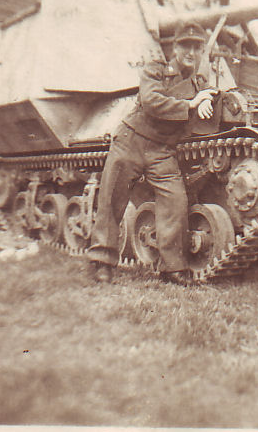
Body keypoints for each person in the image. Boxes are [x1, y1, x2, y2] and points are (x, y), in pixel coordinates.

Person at [86, 22, 217, 285]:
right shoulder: (156, 69)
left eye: (197, 47)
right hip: (131, 142)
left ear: (202, 51)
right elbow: (151, 101)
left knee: (175, 200)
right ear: (175, 48)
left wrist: (205, 99)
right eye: (185, 46)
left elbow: (210, 96)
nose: (191, 52)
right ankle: (102, 260)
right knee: (113, 199)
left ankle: (172, 267)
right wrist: (191, 103)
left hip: (162, 150)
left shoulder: (199, 82)